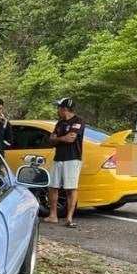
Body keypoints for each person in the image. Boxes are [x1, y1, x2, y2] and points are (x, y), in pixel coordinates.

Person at [46, 97, 85, 228]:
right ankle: (53, 215)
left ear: (65, 109)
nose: (57, 110)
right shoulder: (60, 123)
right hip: (58, 158)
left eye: (59, 107)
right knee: (52, 186)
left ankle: (69, 217)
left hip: (72, 158)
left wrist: (58, 138)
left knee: (71, 188)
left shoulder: (78, 121)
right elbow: (51, 140)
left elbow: (71, 139)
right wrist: (60, 138)